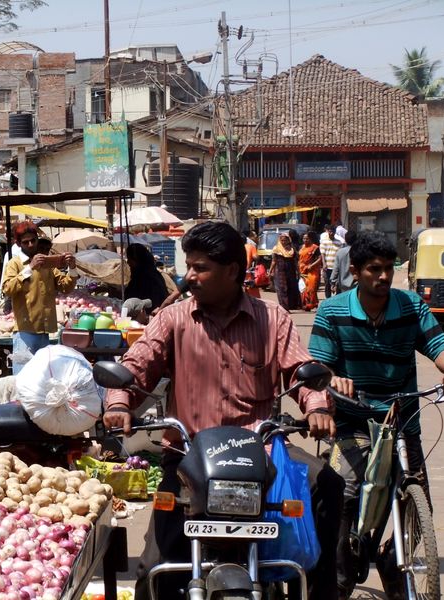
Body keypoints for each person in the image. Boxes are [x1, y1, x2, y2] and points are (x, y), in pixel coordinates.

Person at [103, 221, 342, 600]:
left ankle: (325, 592)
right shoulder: (172, 319)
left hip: (261, 455)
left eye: (201, 268)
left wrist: (316, 407)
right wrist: (119, 404)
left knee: (328, 484)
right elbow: (136, 366)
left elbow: (301, 369)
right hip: (188, 458)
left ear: (232, 270)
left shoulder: (273, 318)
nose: (190, 277)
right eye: (190, 266)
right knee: (154, 568)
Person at [308, 231, 444, 599]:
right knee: (345, 495)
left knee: (421, 509)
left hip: (403, 422)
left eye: (388, 269)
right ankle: (338, 573)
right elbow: (316, 368)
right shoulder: (332, 311)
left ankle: (390, 557)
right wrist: (332, 378)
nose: (383, 276)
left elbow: (439, 347)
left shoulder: (411, 306)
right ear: (355, 271)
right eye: (374, 269)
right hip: (353, 422)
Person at [2, 221, 78, 374]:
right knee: (22, 380)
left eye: (33, 240)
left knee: (41, 379)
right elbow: (7, 288)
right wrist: (29, 269)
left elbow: (66, 287)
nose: (30, 245)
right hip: (25, 332)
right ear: (18, 243)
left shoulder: (47, 264)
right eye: (25, 242)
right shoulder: (14, 264)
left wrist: (72, 267)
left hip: (45, 331)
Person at [124, 243, 171, 310]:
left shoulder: (146, 279)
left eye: (130, 259)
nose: (128, 262)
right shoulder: (150, 274)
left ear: (137, 259)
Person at [269, 232, 301, 310]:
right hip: (280, 271)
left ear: (288, 240)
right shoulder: (276, 249)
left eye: (285, 240)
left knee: (291, 287)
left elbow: (295, 262)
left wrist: (298, 271)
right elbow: (274, 261)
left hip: (291, 270)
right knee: (282, 288)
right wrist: (270, 271)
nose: (283, 242)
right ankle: (284, 307)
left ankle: (292, 305)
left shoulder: (292, 249)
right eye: (282, 240)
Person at [299, 230, 323, 311]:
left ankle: (311, 304)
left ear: (311, 239)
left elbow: (320, 259)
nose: (305, 240)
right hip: (302, 271)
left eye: (307, 239)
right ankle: (306, 304)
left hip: (312, 271)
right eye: (304, 238)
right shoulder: (301, 247)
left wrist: (311, 266)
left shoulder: (315, 248)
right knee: (303, 289)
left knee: (311, 289)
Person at [319, 224, 343, 299]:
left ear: (335, 232)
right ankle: (328, 299)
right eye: (329, 231)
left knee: (337, 284)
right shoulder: (324, 241)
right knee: (327, 284)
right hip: (327, 267)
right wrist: (324, 264)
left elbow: (340, 255)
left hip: (336, 267)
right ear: (328, 232)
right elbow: (322, 254)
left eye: (332, 232)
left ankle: (336, 299)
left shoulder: (339, 242)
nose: (331, 233)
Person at [330, 230, 356, 294]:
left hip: (343, 285)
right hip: (356, 284)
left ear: (345, 240)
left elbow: (336, 269)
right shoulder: (359, 252)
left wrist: (333, 282)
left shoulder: (340, 252)